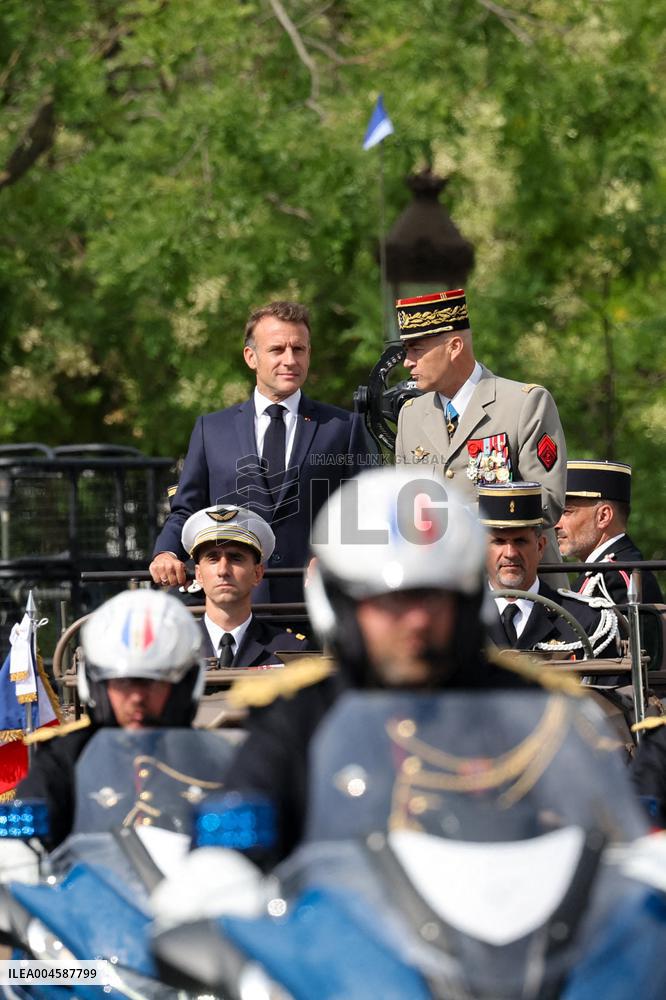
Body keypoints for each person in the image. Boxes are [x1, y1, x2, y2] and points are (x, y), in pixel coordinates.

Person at [224, 467, 544, 864]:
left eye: (432, 598)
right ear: (342, 606)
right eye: (391, 602)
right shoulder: (299, 715)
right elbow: (230, 838)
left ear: (465, 604)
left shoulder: (527, 708)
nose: (417, 621)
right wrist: (222, 874)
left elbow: (604, 834)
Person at [150, 301, 379, 604]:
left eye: (299, 349)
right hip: (237, 608)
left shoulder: (341, 427)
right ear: (251, 357)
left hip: (313, 604)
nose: (290, 359)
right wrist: (166, 553)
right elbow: (186, 508)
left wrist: (335, 557)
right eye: (277, 350)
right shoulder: (211, 430)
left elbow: (364, 508)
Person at [393, 288, 568, 583]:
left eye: (417, 350)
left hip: (519, 589)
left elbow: (547, 502)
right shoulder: (410, 414)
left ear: (455, 346)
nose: (407, 362)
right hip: (444, 591)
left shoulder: (524, 403)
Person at [17, 589, 206, 847]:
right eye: (124, 682)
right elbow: (28, 839)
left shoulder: (214, 757)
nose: (137, 697)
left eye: (154, 682)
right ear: (97, 685)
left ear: (185, 685)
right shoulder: (66, 756)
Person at [479, 481, 620, 661]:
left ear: (540, 547)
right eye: (499, 541)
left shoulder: (585, 620)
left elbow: (610, 687)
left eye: (520, 541)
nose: (510, 553)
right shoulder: (456, 621)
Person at [181, 503, 313, 666]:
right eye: (213, 559)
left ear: (257, 574)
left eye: (236, 558)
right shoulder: (174, 647)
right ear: (199, 574)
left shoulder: (291, 650)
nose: (223, 570)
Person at [555, 460, 664, 605]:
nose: (556, 524)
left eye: (566, 512)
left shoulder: (617, 578)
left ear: (603, 517)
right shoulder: (607, 572)